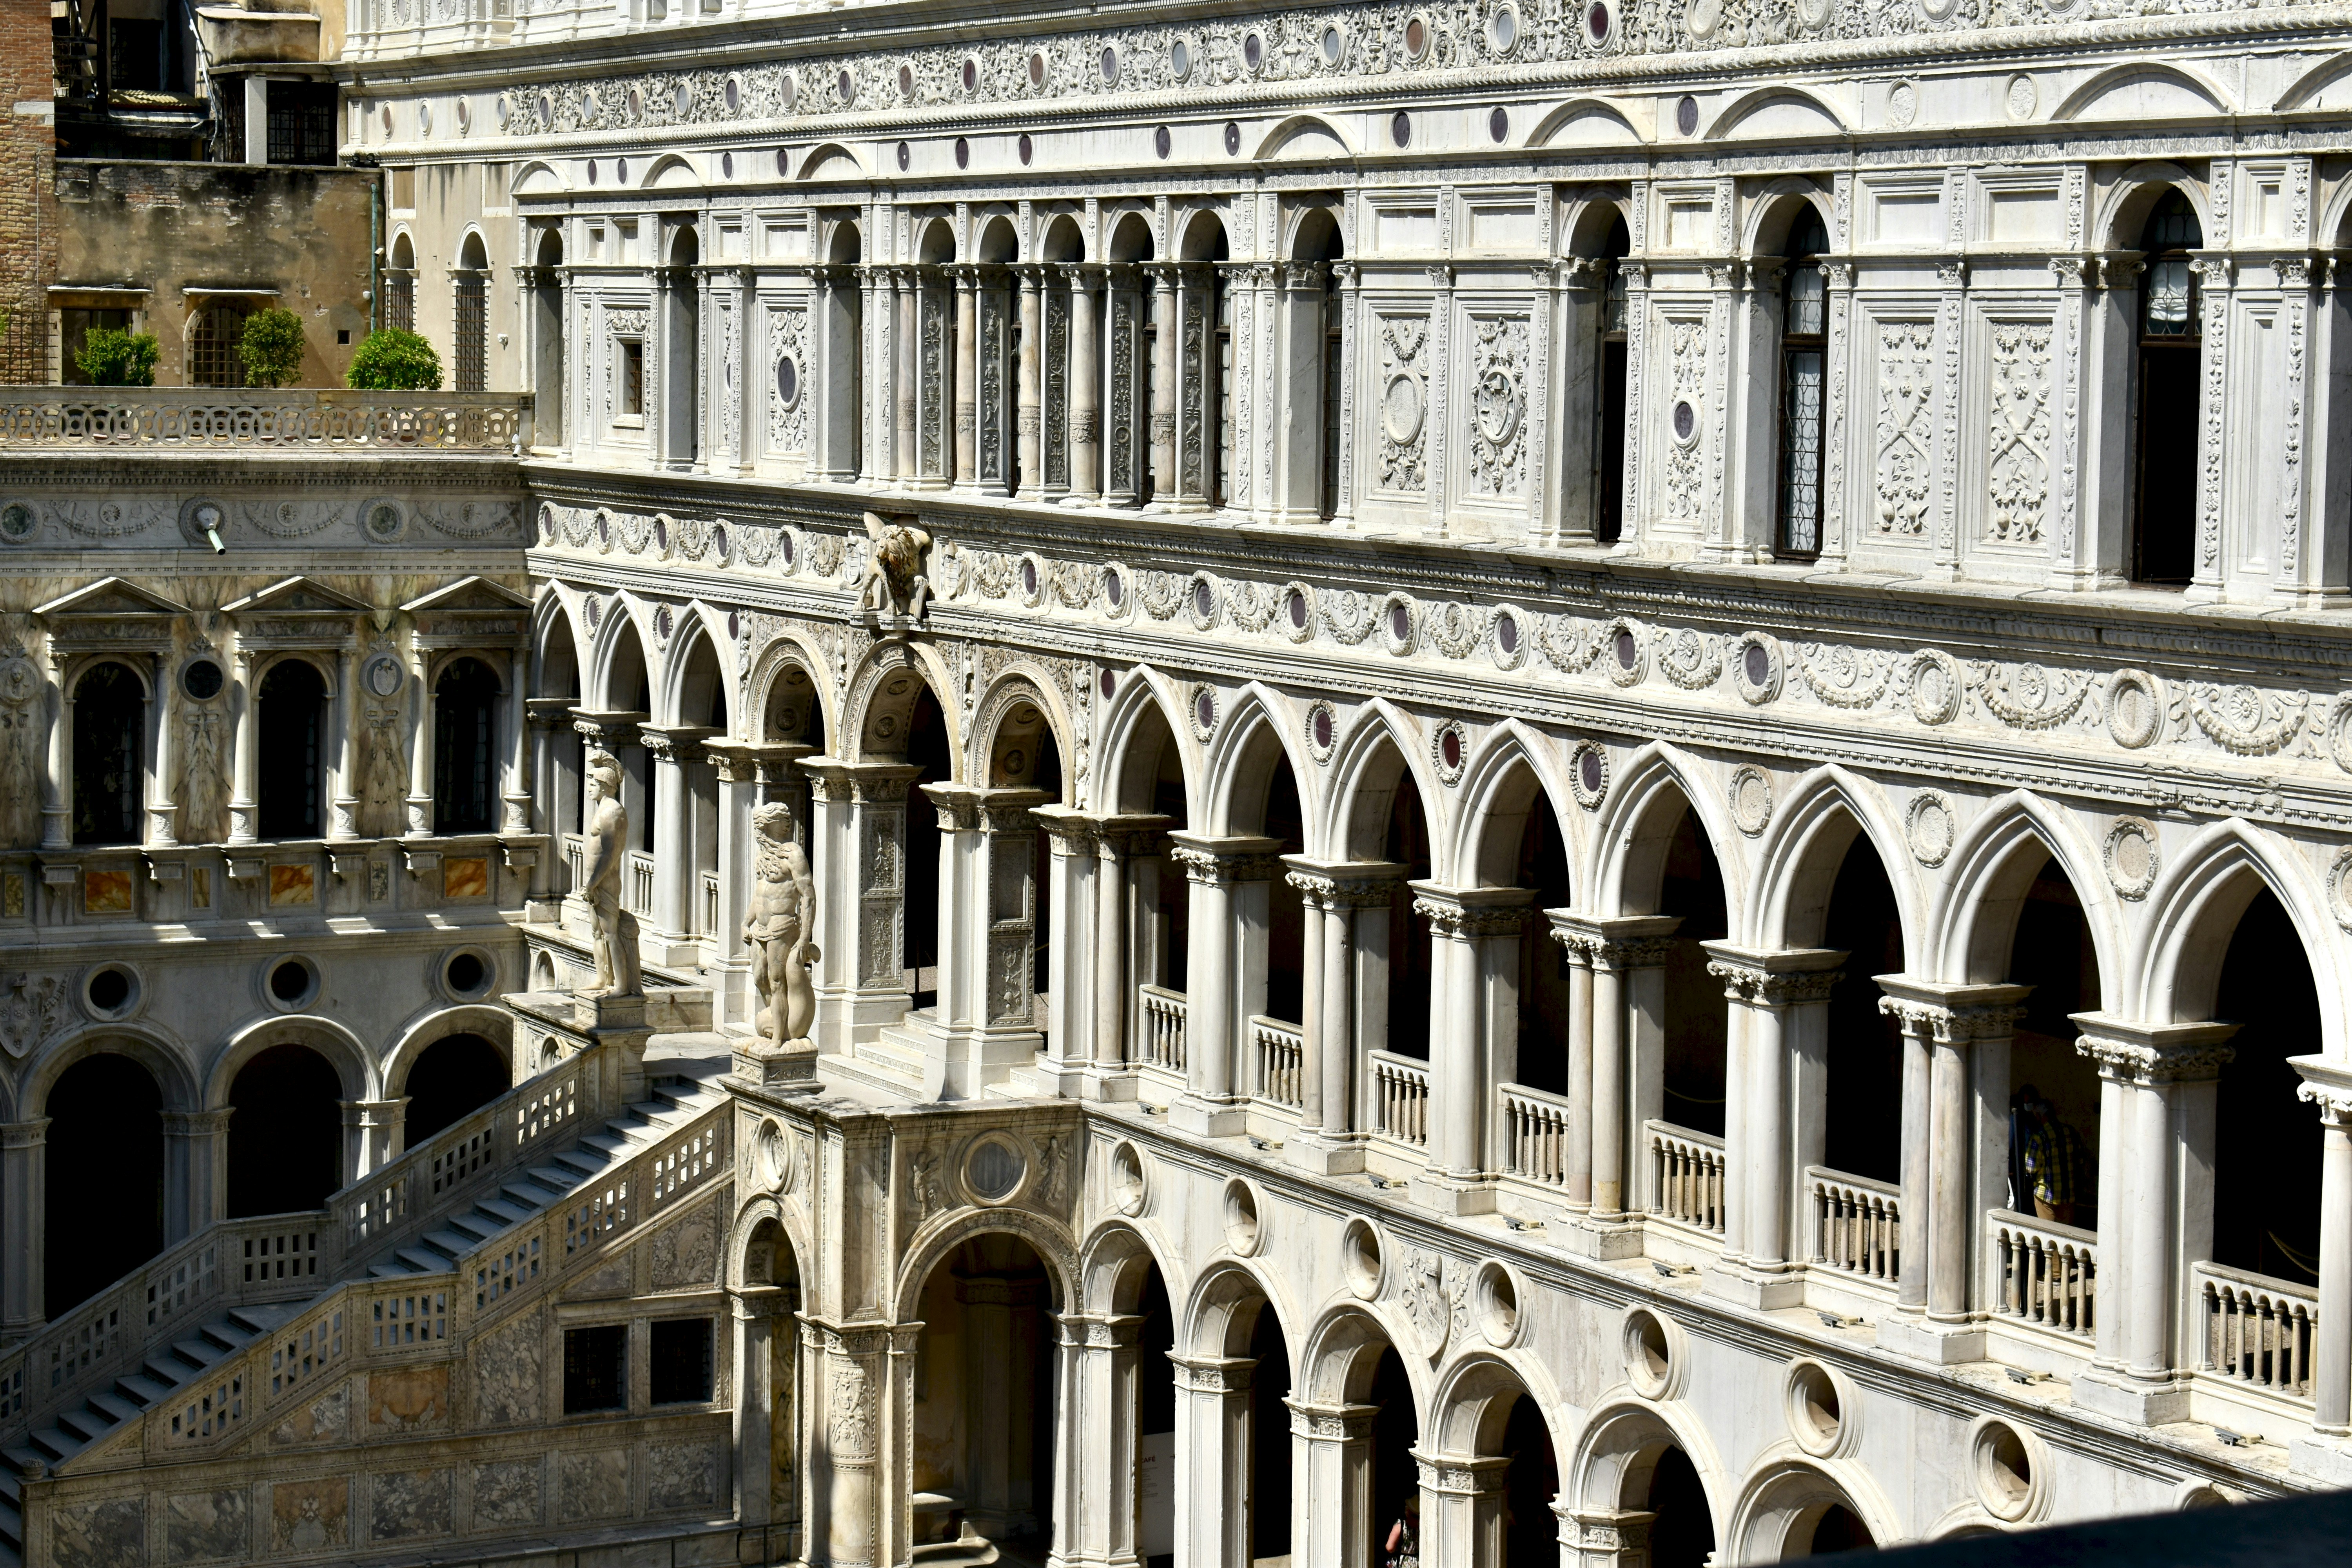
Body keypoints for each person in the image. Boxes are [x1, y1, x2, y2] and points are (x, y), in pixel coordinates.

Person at [1384, 1494, 1420, 1568]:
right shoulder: (1422, 1527)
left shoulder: (1401, 1526)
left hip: (1402, 1563)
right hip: (1418, 1563)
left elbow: (1390, 1547)